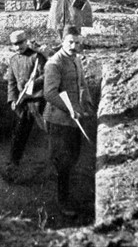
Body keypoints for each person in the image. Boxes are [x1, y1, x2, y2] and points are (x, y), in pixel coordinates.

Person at [43, 25, 93, 216]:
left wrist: (88, 104)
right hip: (58, 120)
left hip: (74, 118)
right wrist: (71, 109)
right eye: (70, 42)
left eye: (77, 43)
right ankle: (62, 204)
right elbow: (50, 93)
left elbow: (83, 84)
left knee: (73, 157)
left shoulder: (76, 60)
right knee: (63, 162)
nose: (73, 46)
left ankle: (67, 196)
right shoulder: (54, 64)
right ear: (62, 42)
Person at [6, 30, 46, 168]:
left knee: (45, 128)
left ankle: (50, 159)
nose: (19, 47)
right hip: (22, 101)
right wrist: (12, 99)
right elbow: (11, 81)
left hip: (37, 99)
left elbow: (45, 75)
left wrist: (32, 85)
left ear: (26, 41)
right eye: (15, 45)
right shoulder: (13, 60)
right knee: (19, 131)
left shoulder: (36, 57)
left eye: (21, 43)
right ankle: (14, 161)